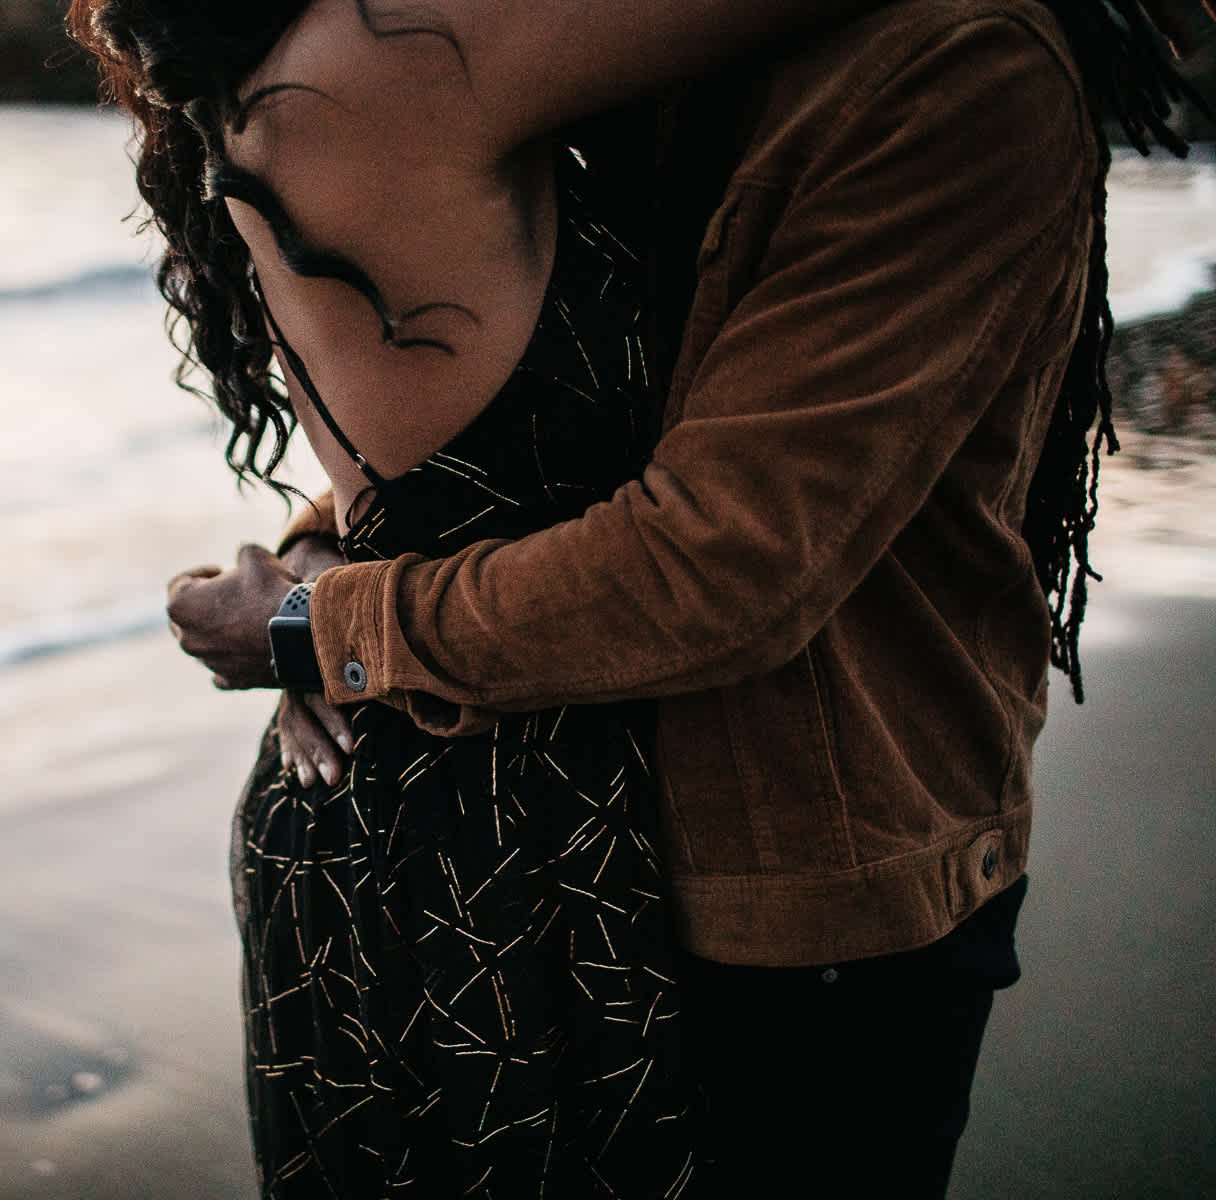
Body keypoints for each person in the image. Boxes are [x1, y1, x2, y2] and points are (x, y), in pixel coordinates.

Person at [157, 0, 1210, 1195]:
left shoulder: (951, 57)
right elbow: (497, 425)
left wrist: (329, 622)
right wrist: (329, 576)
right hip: (532, 845)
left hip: (795, 881)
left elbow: (718, 559)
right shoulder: (521, 52)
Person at [70, 0, 886, 1194]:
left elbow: (411, 486)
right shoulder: (385, 60)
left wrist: (314, 586)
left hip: (391, 798)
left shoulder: (270, 95)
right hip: (492, 826)